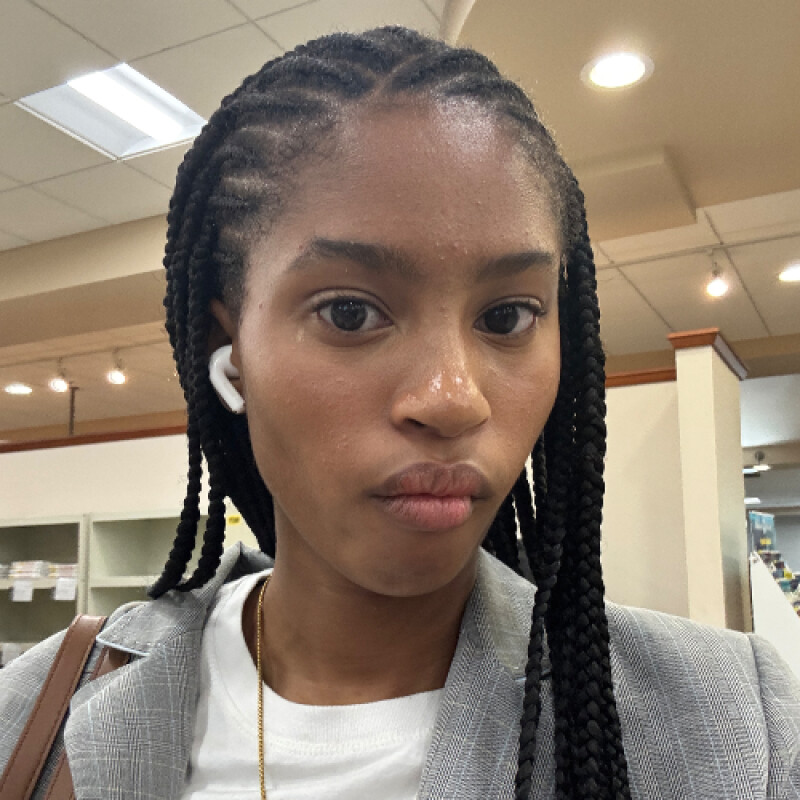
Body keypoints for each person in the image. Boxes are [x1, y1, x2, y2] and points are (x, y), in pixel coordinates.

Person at [1, 26, 799, 800]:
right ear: (229, 349)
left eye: (508, 316)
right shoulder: (34, 712)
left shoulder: (736, 725)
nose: (453, 399)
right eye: (349, 313)